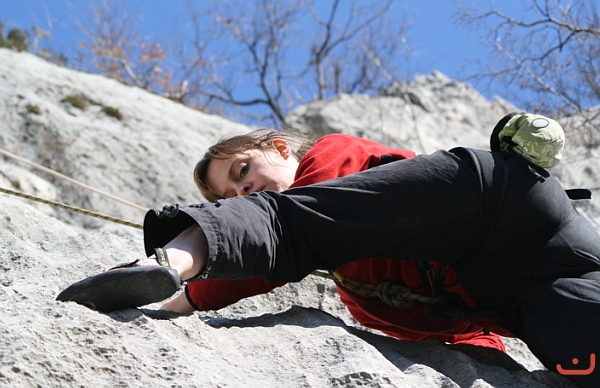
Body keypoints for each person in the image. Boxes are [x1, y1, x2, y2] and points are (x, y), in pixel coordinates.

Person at [58, 115, 600, 388]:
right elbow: (463, 334)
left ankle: (174, 258)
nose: (240, 191)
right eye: (228, 197)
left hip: (497, 208)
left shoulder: (333, 156)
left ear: (279, 147)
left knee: (288, 220)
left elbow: (286, 232)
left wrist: (182, 295)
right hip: (537, 293)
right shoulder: (363, 296)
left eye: (242, 171)